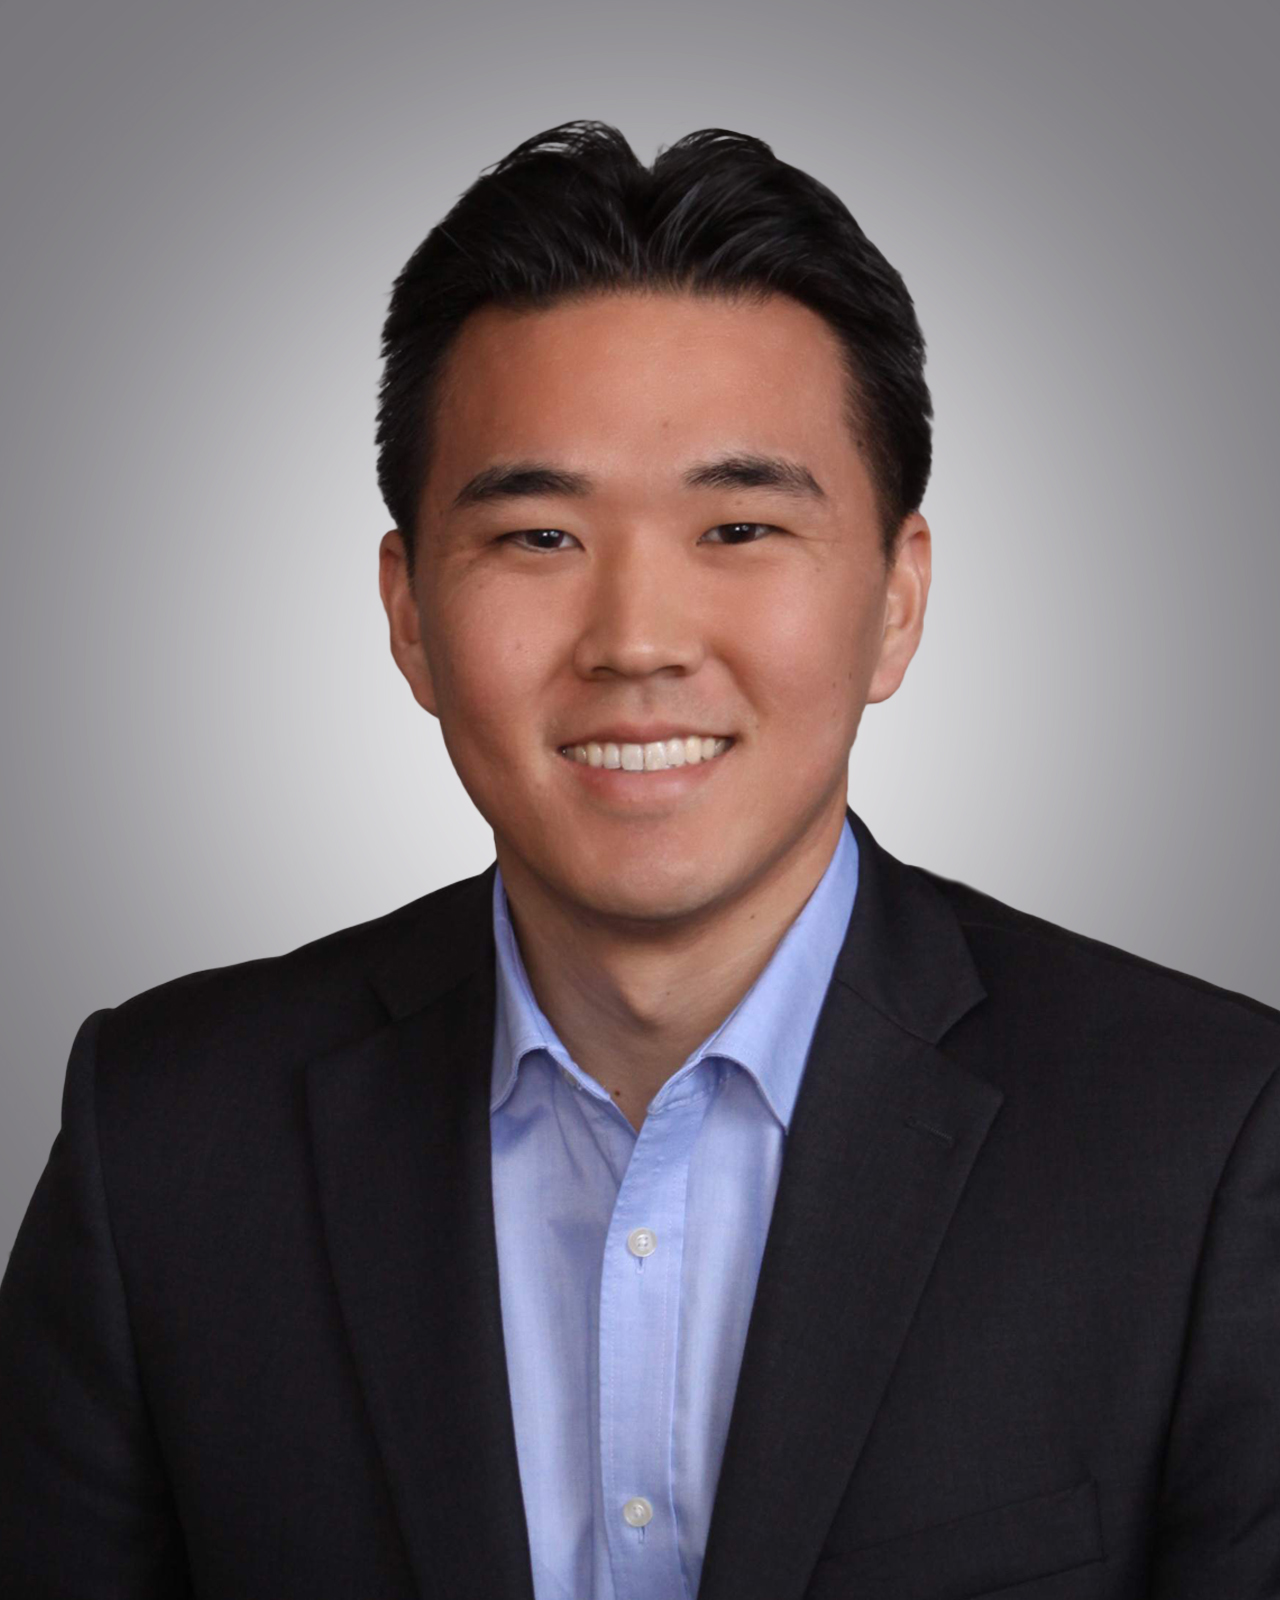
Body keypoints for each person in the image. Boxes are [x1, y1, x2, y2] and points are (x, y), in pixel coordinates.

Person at [1, 119, 1277, 1600]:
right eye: (539, 537)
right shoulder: (163, 1139)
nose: (637, 642)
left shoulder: (1206, 1148)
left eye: (738, 526)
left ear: (897, 602)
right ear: (409, 612)